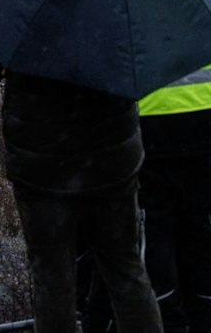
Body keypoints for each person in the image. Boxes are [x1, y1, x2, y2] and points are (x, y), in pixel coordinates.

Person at [0, 34, 163, 333]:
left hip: (41, 160)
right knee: (125, 269)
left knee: (52, 275)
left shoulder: (23, 3)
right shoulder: (115, 0)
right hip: (110, 155)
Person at [79, 62, 211, 332]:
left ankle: (168, 320)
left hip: (147, 131)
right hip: (203, 126)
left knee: (152, 253)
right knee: (199, 246)